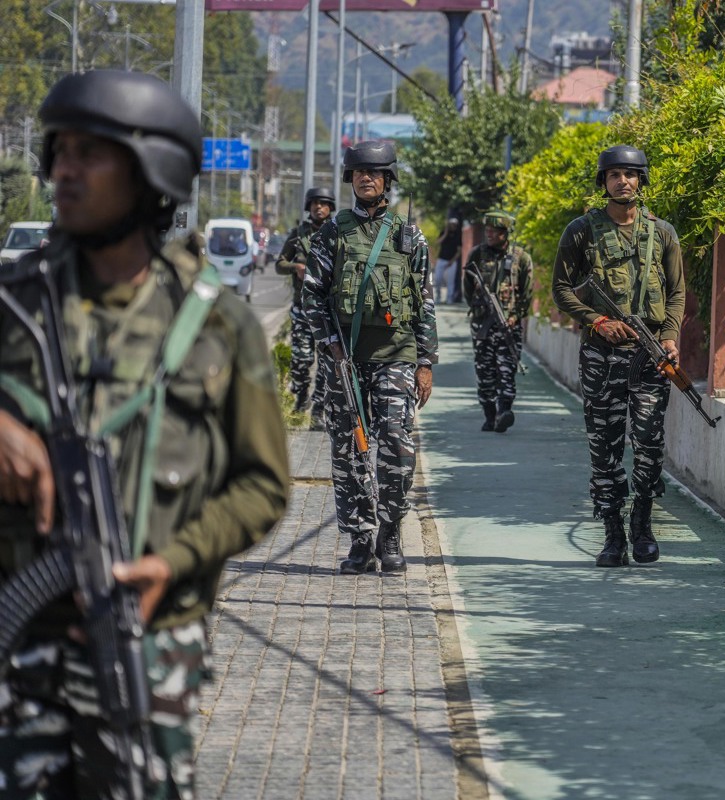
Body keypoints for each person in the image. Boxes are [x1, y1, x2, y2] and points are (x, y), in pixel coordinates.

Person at [0, 70, 290, 798]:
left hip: (148, 640)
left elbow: (263, 485)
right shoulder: (14, 303)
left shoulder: (216, 326)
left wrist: (175, 561)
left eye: (89, 153)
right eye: (58, 150)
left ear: (149, 172)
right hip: (17, 641)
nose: (63, 168)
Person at [303, 139, 436, 575]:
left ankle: (390, 531)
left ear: (387, 180)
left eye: (374, 173)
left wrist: (425, 363)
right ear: (350, 179)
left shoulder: (408, 235)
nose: (365, 178)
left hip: (396, 355)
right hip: (346, 360)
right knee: (349, 449)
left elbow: (425, 302)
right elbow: (312, 298)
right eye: (359, 172)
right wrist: (332, 346)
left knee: (396, 445)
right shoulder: (332, 232)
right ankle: (361, 539)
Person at [551, 145, 686, 568]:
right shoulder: (581, 230)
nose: (622, 181)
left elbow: (678, 292)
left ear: (641, 180)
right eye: (614, 175)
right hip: (601, 356)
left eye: (630, 174)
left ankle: (642, 524)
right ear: (603, 182)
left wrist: (669, 335)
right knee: (604, 447)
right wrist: (596, 321)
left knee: (648, 443)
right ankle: (612, 533)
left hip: (649, 358)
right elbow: (561, 289)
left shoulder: (662, 233)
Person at [463, 210, 533, 433]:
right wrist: (478, 310)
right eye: (488, 230)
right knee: (485, 371)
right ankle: (489, 415)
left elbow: (526, 292)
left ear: (506, 233)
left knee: (507, 369)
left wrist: (515, 316)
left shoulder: (521, 257)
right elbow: (467, 287)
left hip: (508, 326)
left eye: (495, 230)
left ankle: (504, 411)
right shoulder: (477, 255)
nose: (489, 233)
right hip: (482, 325)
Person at [275, 186, 337, 421]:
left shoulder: (338, 232)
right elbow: (279, 264)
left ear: (330, 207)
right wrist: (296, 267)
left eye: (323, 203)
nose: (318, 207)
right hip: (302, 309)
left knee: (326, 362)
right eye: (314, 203)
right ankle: (301, 396)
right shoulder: (298, 234)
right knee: (301, 360)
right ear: (309, 207)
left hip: (328, 310)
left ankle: (319, 408)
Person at [433, 215, 463, 304]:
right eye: (451, 224)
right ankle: (438, 297)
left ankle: (449, 299)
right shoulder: (443, 233)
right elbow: (437, 242)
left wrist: (452, 261)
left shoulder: (458, 236)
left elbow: (459, 251)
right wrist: (445, 233)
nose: (453, 226)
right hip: (441, 259)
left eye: (454, 225)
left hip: (452, 261)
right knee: (437, 279)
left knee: (450, 281)